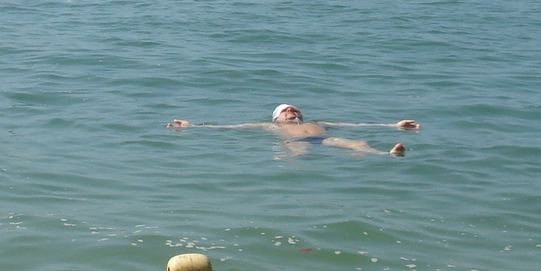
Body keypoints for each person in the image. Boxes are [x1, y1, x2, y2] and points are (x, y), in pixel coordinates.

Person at [168, 104, 414, 156]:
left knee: (358, 143)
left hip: (324, 140)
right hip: (295, 144)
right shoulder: (267, 125)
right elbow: (231, 128)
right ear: (277, 118)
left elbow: (357, 125)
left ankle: (387, 154)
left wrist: (393, 125)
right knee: (299, 153)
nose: (292, 113)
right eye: (286, 111)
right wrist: (193, 127)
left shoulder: (320, 123)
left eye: (295, 111)